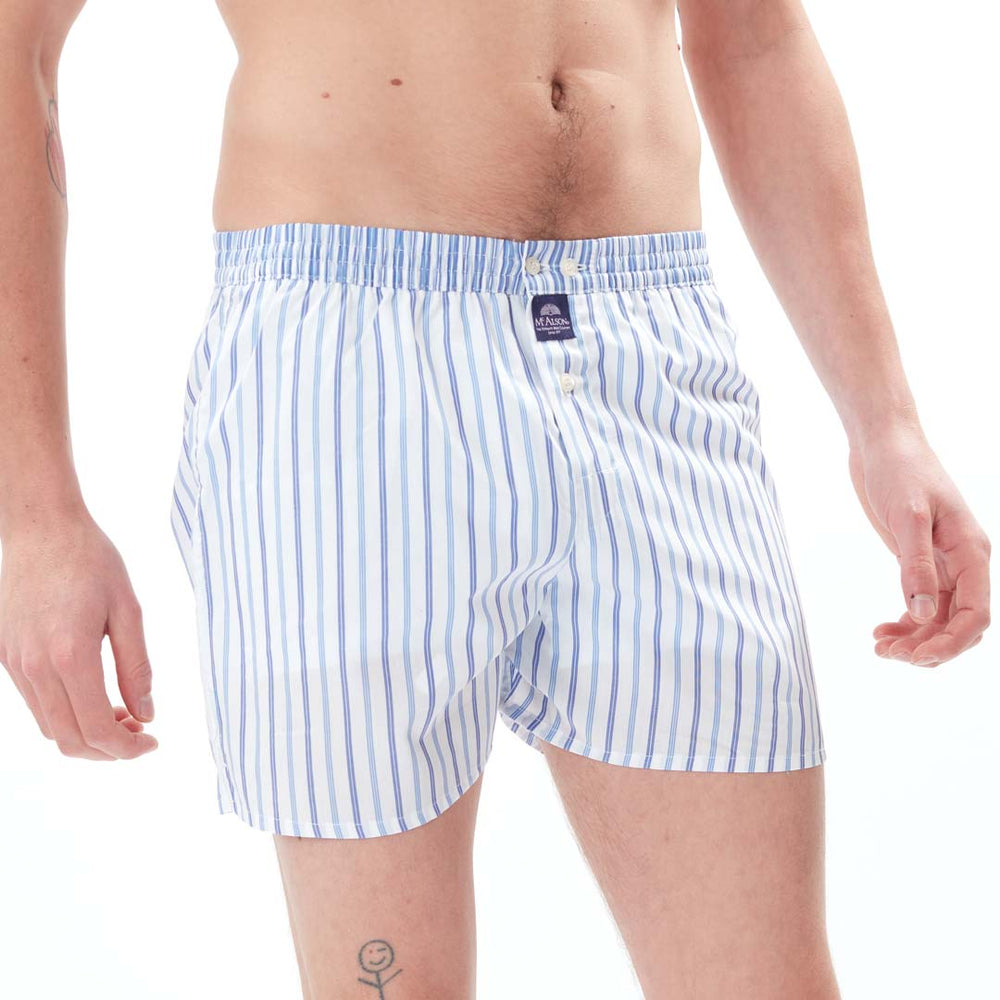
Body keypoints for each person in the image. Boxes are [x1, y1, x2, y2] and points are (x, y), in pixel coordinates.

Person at [0, 1, 990, 997]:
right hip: (348, 365)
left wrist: (885, 423)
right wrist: (34, 517)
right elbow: (17, 41)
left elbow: (753, 36)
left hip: (651, 353)